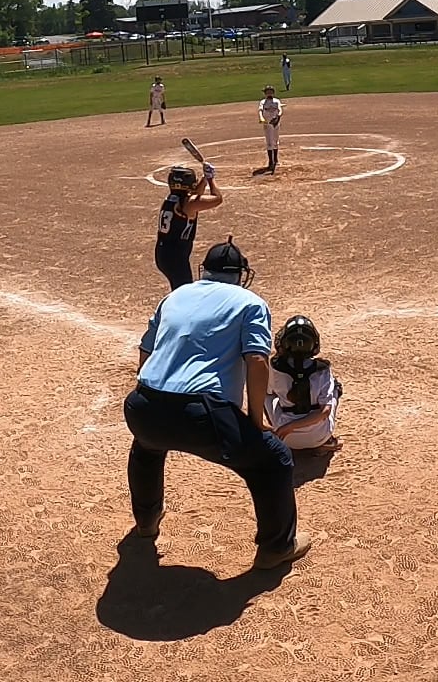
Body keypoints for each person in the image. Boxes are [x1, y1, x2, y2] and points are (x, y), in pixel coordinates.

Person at [123, 236, 312, 570]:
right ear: (241, 274)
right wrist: (256, 421)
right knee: (273, 460)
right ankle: (276, 548)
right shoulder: (251, 302)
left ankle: (146, 522)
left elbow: (145, 351)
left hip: (143, 406)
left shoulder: (175, 295)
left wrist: (152, 394)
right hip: (202, 415)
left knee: (146, 447)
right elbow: (257, 360)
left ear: (205, 270)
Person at [266, 315, 342, 453]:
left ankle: (270, 431)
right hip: (320, 436)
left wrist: (288, 427)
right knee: (335, 388)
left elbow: (268, 393)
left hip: (285, 437)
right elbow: (325, 412)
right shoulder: (322, 370)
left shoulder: (275, 368)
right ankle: (327, 441)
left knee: (265, 393)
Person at [154, 162, 221, 290]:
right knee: (184, 292)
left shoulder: (173, 199)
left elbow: (195, 195)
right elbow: (217, 199)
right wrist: (211, 179)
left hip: (164, 252)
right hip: (176, 257)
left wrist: (204, 179)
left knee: (180, 289)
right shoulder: (188, 204)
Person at [254, 85, 283, 176]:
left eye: (270, 92)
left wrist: (278, 117)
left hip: (275, 123)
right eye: (267, 92)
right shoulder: (263, 102)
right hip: (267, 124)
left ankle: (276, 159)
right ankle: (271, 161)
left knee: (275, 141)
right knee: (269, 142)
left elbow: (280, 110)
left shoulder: (277, 101)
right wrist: (261, 118)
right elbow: (260, 111)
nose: (268, 94)